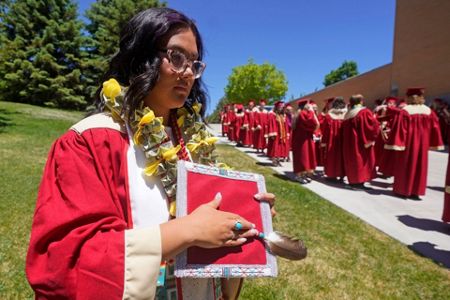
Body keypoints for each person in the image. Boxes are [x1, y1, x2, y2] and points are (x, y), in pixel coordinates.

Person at [26, 8, 275, 300]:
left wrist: (248, 215)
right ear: (141, 55)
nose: (188, 73)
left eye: (194, 64)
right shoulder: (91, 141)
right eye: (177, 57)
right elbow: (67, 259)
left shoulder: (193, 144)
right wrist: (186, 232)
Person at [385, 87, 444, 199]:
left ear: (408, 98)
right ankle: (415, 192)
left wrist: (398, 143)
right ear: (421, 97)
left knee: (406, 166)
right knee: (420, 166)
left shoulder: (405, 111)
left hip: (408, 144)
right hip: (422, 145)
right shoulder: (429, 111)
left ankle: (403, 190)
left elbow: (400, 129)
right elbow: (435, 128)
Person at [342, 94, 379, 188]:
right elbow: (371, 126)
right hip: (359, 143)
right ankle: (358, 183)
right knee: (360, 161)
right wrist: (372, 137)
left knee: (352, 161)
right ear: (361, 101)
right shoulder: (364, 112)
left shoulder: (348, 114)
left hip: (349, 143)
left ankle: (353, 181)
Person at [291, 99, 319, 184]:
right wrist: (312, 112)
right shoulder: (303, 114)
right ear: (305, 106)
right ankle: (299, 176)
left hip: (301, 139)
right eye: (308, 105)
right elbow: (314, 123)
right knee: (303, 157)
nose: (310, 106)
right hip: (303, 139)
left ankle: (302, 175)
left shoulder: (298, 114)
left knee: (303, 157)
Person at [320, 97, 347, 181]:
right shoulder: (346, 115)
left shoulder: (329, 116)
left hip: (332, 141)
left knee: (332, 156)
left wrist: (324, 141)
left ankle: (332, 175)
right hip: (343, 140)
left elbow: (325, 130)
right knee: (342, 156)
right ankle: (342, 175)